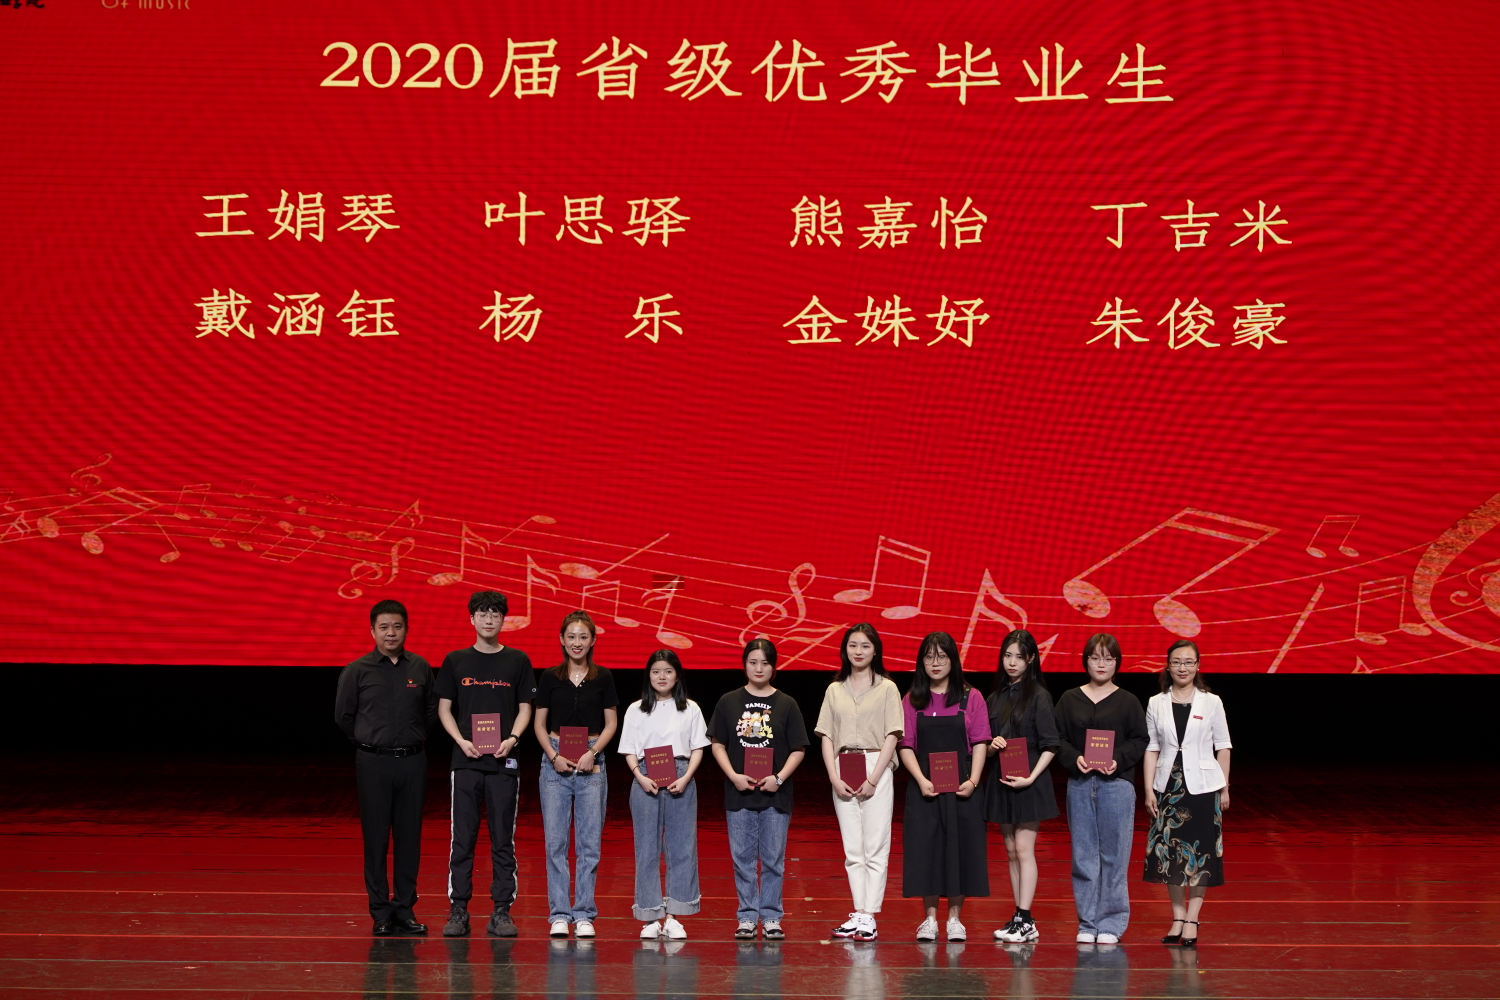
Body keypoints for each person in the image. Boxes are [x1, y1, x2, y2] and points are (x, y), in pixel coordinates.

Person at [434, 590, 536, 939]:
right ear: (472, 619)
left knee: (502, 838)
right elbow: (444, 708)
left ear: (504, 619)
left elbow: (525, 708)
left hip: (504, 761)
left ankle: (501, 910)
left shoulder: (517, 660)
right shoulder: (456, 660)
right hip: (466, 761)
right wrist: (460, 740)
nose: (489, 619)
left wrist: (513, 738)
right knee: (462, 838)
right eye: (482, 613)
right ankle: (458, 909)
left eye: (495, 614)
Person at [334, 599, 437, 935]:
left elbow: (431, 711)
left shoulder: (420, 667)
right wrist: (369, 741)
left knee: (409, 838)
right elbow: (344, 717)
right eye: (384, 627)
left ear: (406, 629)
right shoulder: (357, 670)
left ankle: (405, 909)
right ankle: (380, 912)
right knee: (376, 838)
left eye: (397, 626)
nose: (391, 633)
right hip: (373, 763)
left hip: (413, 762)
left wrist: (412, 737)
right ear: (372, 631)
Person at [708, 638, 809, 941]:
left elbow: (798, 749)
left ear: (774, 667)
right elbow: (717, 743)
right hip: (739, 793)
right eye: (753, 662)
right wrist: (733, 776)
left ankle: (772, 916)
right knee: (743, 860)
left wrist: (778, 778)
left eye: (765, 663)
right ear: (744, 665)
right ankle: (747, 917)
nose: (759, 668)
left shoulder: (787, 703)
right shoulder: (728, 701)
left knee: (773, 860)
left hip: (775, 795)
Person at [1054, 633, 1149, 944]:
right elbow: (1057, 739)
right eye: (1095, 657)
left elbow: (1140, 739)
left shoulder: (1128, 701)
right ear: (1086, 661)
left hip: (1116, 786)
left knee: (1114, 857)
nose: (1101, 664)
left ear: (1117, 663)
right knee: (1083, 856)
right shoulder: (1069, 699)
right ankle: (1087, 922)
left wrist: (1117, 760)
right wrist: (1074, 758)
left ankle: (1110, 923)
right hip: (1080, 784)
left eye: (1108, 658)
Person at [898, 631, 990, 943]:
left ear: (953, 660)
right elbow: (905, 745)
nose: (935, 663)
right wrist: (921, 780)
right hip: (925, 786)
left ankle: (954, 919)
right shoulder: (912, 699)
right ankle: (929, 920)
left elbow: (980, 741)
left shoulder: (971, 696)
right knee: (926, 850)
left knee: (960, 850)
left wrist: (973, 780)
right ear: (921, 662)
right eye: (928, 657)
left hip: (963, 785)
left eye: (941, 656)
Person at [532, 610, 618, 939]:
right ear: (562, 640)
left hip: (591, 760)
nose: (577, 642)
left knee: (589, 843)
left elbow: (611, 723)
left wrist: (592, 753)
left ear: (593, 640)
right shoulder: (550, 677)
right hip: (555, 760)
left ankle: (583, 913)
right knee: (555, 843)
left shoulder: (604, 677)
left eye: (583, 636)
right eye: (571, 636)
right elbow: (539, 724)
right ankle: (558, 914)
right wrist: (553, 756)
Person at [816, 623, 903, 942]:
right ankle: (859, 911)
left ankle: (869, 915)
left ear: (875, 650)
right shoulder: (834, 689)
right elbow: (826, 735)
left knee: (875, 844)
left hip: (875, 764)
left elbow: (893, 734)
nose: (858, 651)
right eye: (853, 645)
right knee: (853, 848)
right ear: (845, 650)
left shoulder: (887, 688)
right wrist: (833, 776)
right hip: (843, 766)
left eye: (865, 645)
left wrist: (874, 778)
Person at [1142, 640, 1232, 947]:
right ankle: (1177, 918)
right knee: (1170, 856)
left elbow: (1223, 746)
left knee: (1200, 855)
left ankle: (1193, 918)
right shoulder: (1156, 702)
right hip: (1168, 787)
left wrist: (1224, 787)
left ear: (1197, 666)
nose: (1182, 667)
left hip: (1203, 788)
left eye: (1188, 662)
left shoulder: (1212, 702)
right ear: (1168, 666)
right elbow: (1152, 748)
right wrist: (1149, 789)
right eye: (1177, 662)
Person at [619, 649, 710, 941]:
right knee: (646, 849)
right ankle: (649, 916)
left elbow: (698, 748)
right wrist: (640, 776)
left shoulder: (691, 708)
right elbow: (629, 750)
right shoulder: (636, 709)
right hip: (645, 777)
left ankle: (673, 917)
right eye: (656, 671)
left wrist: (686, 777)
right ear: (649, 675)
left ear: (677, 675)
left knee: (681, 848)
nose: (662, 677)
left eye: (668, 671)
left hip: (680, 776)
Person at [985, 629, 1061, 944]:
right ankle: (1018, 916)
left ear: (1030, 659)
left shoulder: (1039, 696)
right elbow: (983, 745)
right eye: (1007, 655)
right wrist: (991, 746)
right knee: (1010, 850)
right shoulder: (994, 698)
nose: (1012, 662)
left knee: (1023, 848)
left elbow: (1051, 744)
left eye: (1019, 656)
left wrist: (1031, 777)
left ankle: (1026, 918)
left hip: (1030, 780)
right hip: (1002, 778)